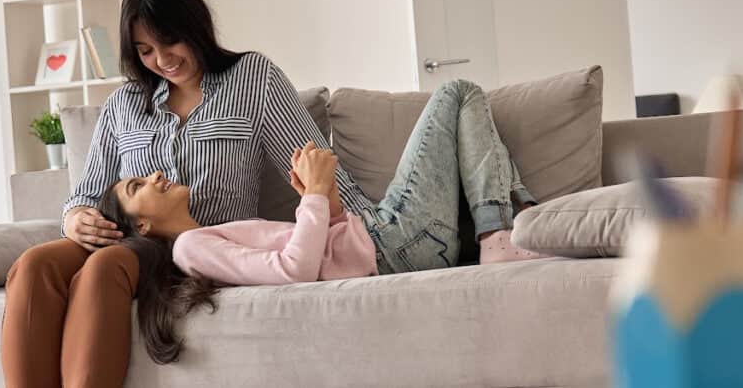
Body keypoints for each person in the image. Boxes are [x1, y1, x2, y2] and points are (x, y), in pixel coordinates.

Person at [0, 0, 370, 388]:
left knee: (106, 265)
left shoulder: (253, 79)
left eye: (170, 41)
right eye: (145, 50)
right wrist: (74, 218)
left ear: (195, 26)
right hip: (123, 234)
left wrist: (373, 233)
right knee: (33, 265)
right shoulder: (124, 103)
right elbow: (85, 192)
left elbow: (317, 167)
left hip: (198, 249)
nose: (162, 59)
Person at [100, 78, 542, 365]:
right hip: (391, 243)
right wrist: (311, 197)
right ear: (140, 227)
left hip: (385, 240)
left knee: (476, 135)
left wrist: (322, 197)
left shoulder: (205, 237)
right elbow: (295, 271)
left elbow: (324, 250)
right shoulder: (189, 249)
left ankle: (514, 224)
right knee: (457, 93)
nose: (155, 174)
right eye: (138, 186)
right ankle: (501, 231)